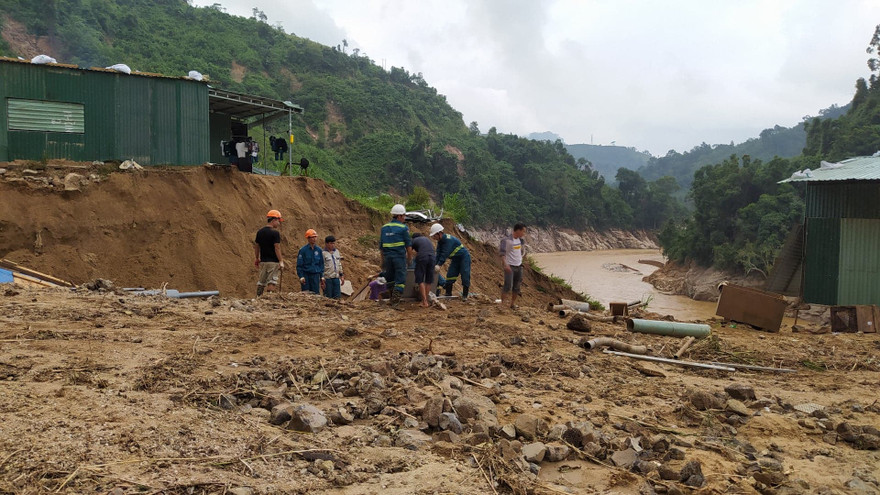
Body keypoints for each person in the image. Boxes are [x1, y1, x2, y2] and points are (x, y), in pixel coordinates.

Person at [379, 204, 413, 307]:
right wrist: (409, 259)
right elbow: (408, 246)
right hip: (398, 257)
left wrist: (382, 260)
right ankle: (395, 301)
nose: (404, 218)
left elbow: (381, 246)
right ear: (399, 216)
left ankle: (391, 297)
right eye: (403, 216)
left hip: (387, 257)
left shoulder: (384, 228)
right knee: (400, 279)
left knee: (390, 277)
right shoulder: (403, 228)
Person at [429, 223, 471, 300]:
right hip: (455, 259)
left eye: (434, 235)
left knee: (465, 274)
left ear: (439, 233)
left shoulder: (448, 240)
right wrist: (434, 264)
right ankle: (448, 293)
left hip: (464, 257)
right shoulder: (440, 242)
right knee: (450, 275)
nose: (434, 237)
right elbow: (438, 254)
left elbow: (445, 253)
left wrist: (439, 265)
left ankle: (465, 295)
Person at [253, 210, 284, 297]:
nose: (278, 223)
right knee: (272, 281)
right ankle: (269, 299)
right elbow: (277, 247)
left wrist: (257, 258)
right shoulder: (275, 233)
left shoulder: (260, 232)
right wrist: (281, 261)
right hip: (273, 262)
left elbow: (257, 246)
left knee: (261, 282)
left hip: (263, 261)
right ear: (273, 220)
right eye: (278, 221)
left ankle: (258, 298)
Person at [500, 223, 527, 309]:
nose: (524, 233)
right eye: (523, 231)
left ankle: (512, 304)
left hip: (519, 266)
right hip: (510, 266)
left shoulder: (521, 241)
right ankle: (503, 305)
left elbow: (521, 251)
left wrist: (522, 260)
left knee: (517, 287)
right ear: (518, 230)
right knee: (508, 286)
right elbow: (502, 254)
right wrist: (505, 265)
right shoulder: (506, 240)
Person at [410, 233, 435, 308]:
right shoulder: (426, 239)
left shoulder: (413, 240)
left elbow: (409, 251)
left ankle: (424, 302)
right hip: (433, 257)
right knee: (428, 280)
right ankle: (425, 300)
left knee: (420, 279)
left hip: (423, 256)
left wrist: (409, 260)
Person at [296, 229, 324, 294]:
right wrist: (301, 276)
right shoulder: (303, 250)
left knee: (316, 294)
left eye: (315, 237)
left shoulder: (319, 250)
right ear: (308, 238)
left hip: (315, 275)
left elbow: (321, 264)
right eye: (312, 237)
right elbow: (299, 265)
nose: (314, 239)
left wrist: (322, 276)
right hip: (306, 275)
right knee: (306, 294)